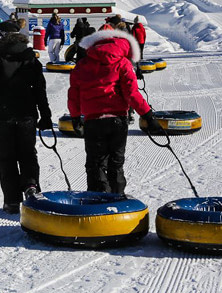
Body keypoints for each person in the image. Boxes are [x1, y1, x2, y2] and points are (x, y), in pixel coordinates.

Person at [0, 19, 52, 213]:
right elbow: (40, 88)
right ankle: (31, 187)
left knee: (6, 157)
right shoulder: (30, 57)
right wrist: (45, 115)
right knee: (28, 154)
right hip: (26, 113)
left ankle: (12, 201)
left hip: (3, 114)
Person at [67, 25, 157, 194]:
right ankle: (116, 200)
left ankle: (97, 200)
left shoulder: (83, 64)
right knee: (116, 163)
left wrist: (75, 116)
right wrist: (147, 114)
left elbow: (74, 93)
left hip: (93, 120)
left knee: (95, 163)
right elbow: (131, 93)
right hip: (117, 119)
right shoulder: (123, 63)